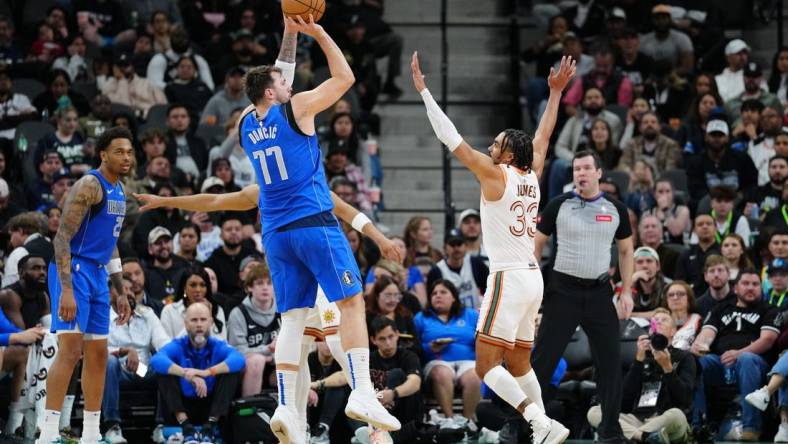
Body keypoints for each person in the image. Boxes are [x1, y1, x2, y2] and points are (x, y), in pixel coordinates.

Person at [236, 15, 400, 440]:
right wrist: (317, 31)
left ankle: (289, 409)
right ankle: (362, 390)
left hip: (275, 232)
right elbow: (344, 78)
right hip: (313, 222)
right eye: (283, 82)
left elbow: (277, 75)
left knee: (291, 319)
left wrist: (289, 31)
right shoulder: (299, 108)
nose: (290, 83)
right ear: (273, 91)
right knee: (351, 304)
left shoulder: (245, 122)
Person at [413, 50, 576, 440]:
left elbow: (451, 139)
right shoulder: (533, 172)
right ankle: (546, 430)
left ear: (508, 154)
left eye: (498, 143)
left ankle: (538, 421)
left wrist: (423, 92)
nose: (491, 145)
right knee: (519, 364)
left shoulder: (496, 174)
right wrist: (555, 95)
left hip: (507, 277)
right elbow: (544, 134)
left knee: (486, 367)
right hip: (532, 279)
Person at [34, 127, 134, 444]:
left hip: (98, 273)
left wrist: (120, 290)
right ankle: (47, 433)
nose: (126, 157)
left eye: (130, 151)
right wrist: (65, 289)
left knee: (99, 353)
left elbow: (111, 243)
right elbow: (61, 237)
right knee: (70, 351)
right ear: (103, 154)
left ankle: (92, 433)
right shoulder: (91, 185)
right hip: (73, 269)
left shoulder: (120, 189)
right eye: (119, 151)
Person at [534, 149, 635, 443]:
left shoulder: (616, 208)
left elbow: (627, 250)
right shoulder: (558, 204)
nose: (580, 173)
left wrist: (626, 291)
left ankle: (610, 429)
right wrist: (536, 284)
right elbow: (536, 244)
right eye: (576, 169)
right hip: (562, 291)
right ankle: (530, 425)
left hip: (599, 292)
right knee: (543, 359)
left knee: (610, 361)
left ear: (599, 173)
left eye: (586, 168)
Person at [690, 270, 779, 441]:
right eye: (745, 283)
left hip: (756, 365)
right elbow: (707, 333)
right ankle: (697, 425)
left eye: (755, 284)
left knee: (746, 359)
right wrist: (701, 344)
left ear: (761, 288)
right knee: (703, 362)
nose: (751, 288)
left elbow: (767, 340)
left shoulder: (769, 310)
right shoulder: (720, 309)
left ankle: (751, 427)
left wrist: (738, 354)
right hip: (721, 361)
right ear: (735, 288)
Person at [587, 308, 695, 443]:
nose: (658, 322)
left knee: (677, 415)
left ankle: (634, 437)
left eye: (664, 320)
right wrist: (638, 362)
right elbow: (623, 401)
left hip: (665, 421)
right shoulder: (642, 358)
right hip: (636, 420)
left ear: (673, 331)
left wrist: (668, 368)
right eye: (655, 321)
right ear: (650, 330)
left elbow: (684, 399)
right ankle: (645, 437)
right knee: (595, 412)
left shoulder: (684, 357)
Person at [151, 301, 244, 444]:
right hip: (182, 409)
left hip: (211, 409)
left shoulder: (217, 345)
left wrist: (206, 372)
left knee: (231, 373)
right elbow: (156, 360)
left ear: (211, 323)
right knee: (164, 372)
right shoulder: (178, 344)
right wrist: (187, 374)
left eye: (203, 320)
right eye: (194, 320)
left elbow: (239, 360)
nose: (199, 324)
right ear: (186, 323)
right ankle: (186, 427)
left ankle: (210, 426)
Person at [101, 276, 169, 443]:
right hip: (118, 373)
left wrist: (166, 357)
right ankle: (112, 427)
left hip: (143, 370)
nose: (128, 294)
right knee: (109, 362)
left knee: (164, 362)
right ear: (110, 294)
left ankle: (160, 427)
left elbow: (164, 343)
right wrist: (125, 351)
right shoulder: (101, 316)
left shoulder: (147, 314)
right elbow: (97, 350)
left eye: (131, 290)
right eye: (122, 290)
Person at [414, 280, 481, 426]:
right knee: (442, 373)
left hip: (468, 361)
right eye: (434, 293)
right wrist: (429, 348)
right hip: (436, 361)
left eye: (443, 292)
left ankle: (467, 422)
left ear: (454, 297)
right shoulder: (421, 318)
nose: (438, 296)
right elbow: (414, 346)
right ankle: (450, 421)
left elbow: (482, 340)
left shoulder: (470, 315)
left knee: (475, 375)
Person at [227, 262, 280, 396]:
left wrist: (273, 356)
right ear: (249, 287)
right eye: (260, 283)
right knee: (257, 361)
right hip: (246, 368)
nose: (265, 288)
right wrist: (267, 350)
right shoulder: (238, 313)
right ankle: (249, 407)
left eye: (269, 283)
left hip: (275, 365)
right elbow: (237, 351)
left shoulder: (283, 311)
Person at [159, 265, 227, 340]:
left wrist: (208, 317)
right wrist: (190, 322)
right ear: (184, 288)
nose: (198, 290)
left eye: (202, 285)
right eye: (193, 285)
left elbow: (222, 345)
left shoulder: (217, 310)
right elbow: (166, 348)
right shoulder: (169, 311)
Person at [426, 232, 488, 310]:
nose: (456, 248)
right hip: (450, 319)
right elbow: (431, 299)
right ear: (444, 248)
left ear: (465, 246)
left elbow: (490, 287)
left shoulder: (475, 263)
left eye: (459, 244)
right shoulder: (436, 271)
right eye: (452, 245)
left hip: (474, 316)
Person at [3, 212, 53, 287]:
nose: (11, 240)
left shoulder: (19, 252)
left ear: (20, 231)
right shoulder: (54, 246)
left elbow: (9, 286)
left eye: (11, 235)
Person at [661, 281, 702, 351]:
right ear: (666, 300)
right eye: (671, 295)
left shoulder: (698, 320)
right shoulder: (659, 320)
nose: (675, 298)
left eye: (681, 294)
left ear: (689, 299)